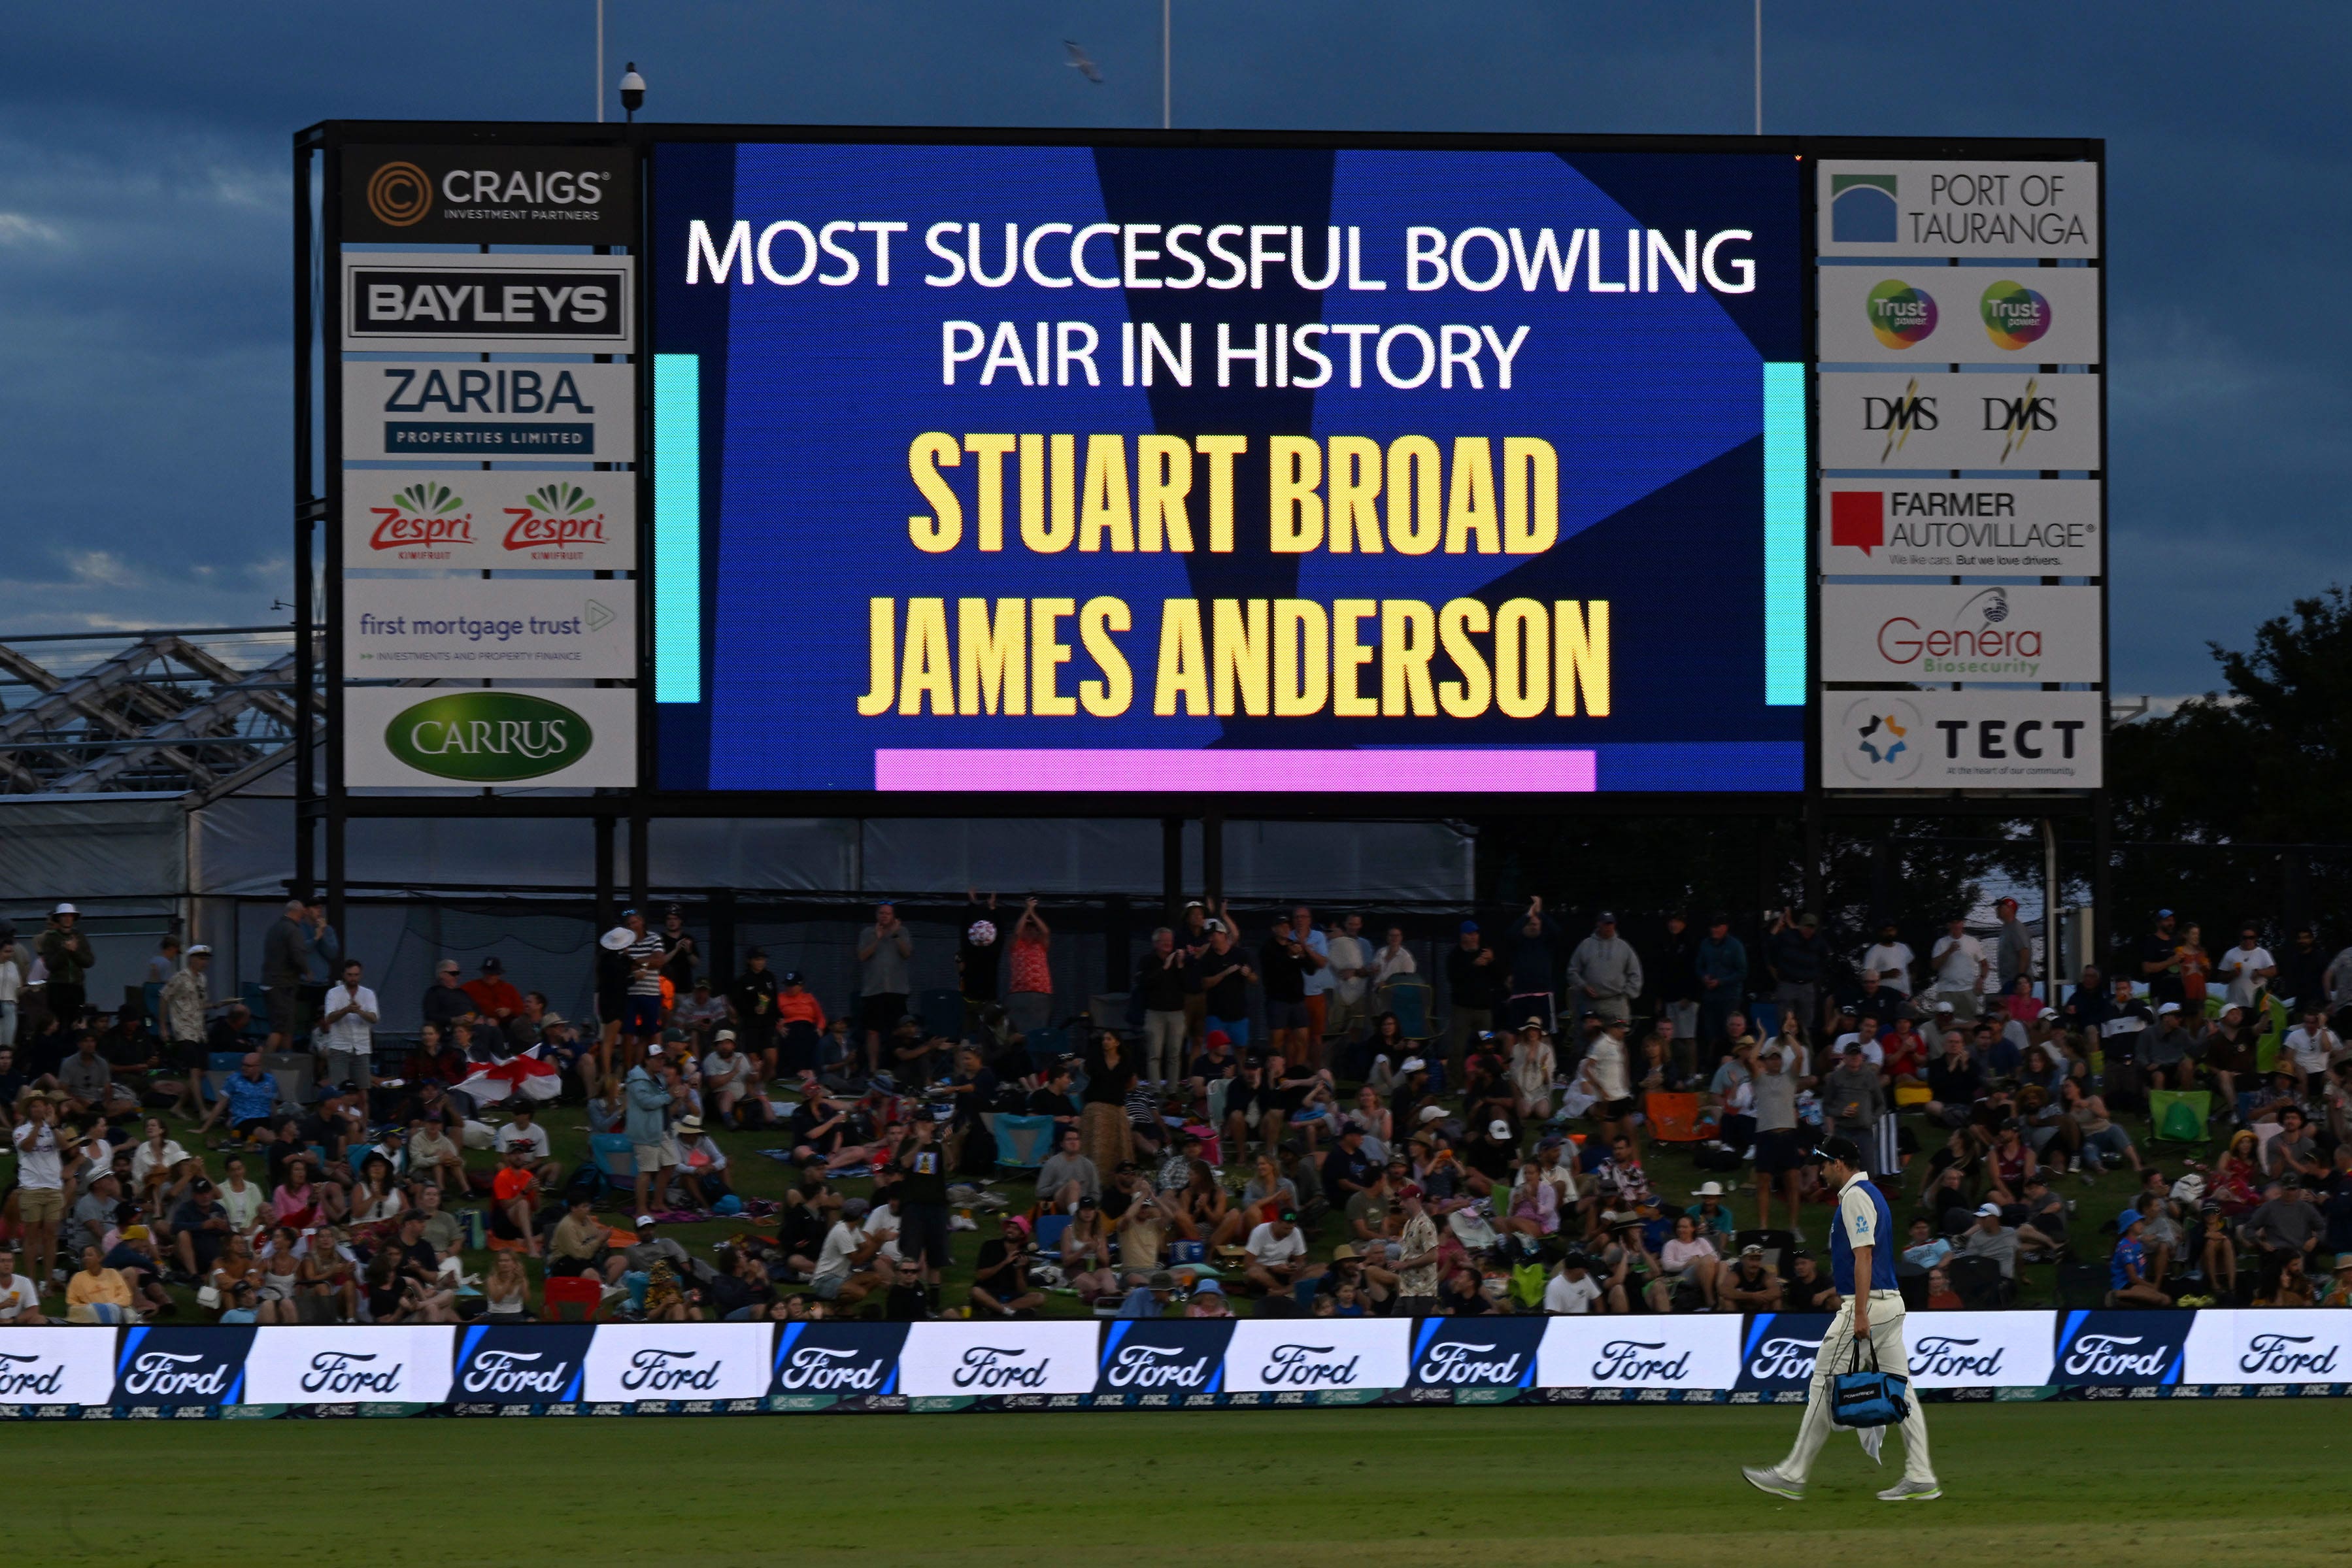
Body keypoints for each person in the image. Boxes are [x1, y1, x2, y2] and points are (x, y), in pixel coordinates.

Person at [1743, 1135, 1939, 1503]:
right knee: (1903, 1391)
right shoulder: (1869, 1194)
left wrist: (1860, 1311)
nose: (1820, 1170)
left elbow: (1864, 1255)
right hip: (1887, 1303)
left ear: (1839, 1163)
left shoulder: (1855, 1196)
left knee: (1822, 1381)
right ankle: (1921, 1474)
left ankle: (1793, 1474)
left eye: (1824, 1163)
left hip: (1870, 1307)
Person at [1136, 926, 1193, 1090]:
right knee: (1155, 1054)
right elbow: (1144, 983)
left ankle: (1173, 1090)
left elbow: (1187, 986)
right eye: (1164, 941)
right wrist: (1164, 968)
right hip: (1155, 1013)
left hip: (1176, 1013)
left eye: (1170, 941)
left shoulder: (1178, 960)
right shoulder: (1147, 961)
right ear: (1156, 943)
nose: (1168, 944)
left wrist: (1180, 966)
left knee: (1174, 1054)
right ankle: (1155, 1089)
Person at [1718, 1242, 1783, 1312]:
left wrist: (1759, 1298)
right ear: (1742, 1260)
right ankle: (1733, 1321)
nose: (1755, 1264)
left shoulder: (1765, 1274)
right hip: (1740, 1306)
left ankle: (1773, 1321)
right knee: (1727, 1301)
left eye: (1758, 1260)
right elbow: (1724, 1291)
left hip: (1760, 1305)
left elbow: (1777, 1291)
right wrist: (1752, 1296)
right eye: (1751, 1259)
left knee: (1777, 1301)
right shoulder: (1736, 1273)